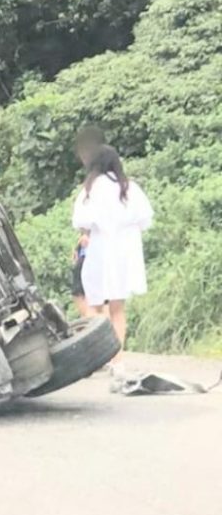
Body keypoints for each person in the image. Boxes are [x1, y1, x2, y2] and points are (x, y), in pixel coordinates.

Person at [71, 143, 153, 357]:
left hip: (100, 249)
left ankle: (94, 355)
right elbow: (145, 218)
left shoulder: (90, 188)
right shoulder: (129, 187)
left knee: (94, 304)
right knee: (117, 307)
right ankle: (117, 357)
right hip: (126, 251)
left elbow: (81, 221)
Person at [70, 126, 103, 318]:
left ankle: (98, 332)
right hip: (93, 248)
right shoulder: (120, 185)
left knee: (82, 294)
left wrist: (87, 237)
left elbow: (84, 222)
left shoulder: (94, 188)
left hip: (94, 250)